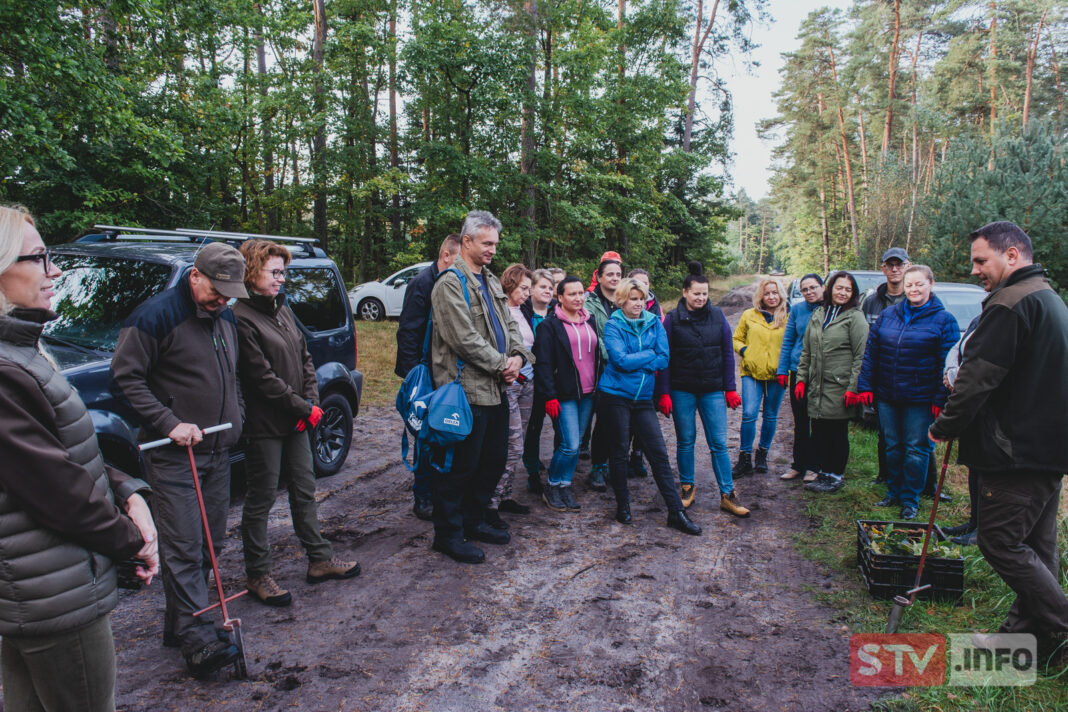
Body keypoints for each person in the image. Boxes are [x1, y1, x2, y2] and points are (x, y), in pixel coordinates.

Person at [0, 205, 159, 709]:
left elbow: (65, 452)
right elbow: (56, 489)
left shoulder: (22, 352)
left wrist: (129, 492)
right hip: (54, 596)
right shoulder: (6, 370)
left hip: (41, 592)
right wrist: (133, 543)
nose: (55, 272)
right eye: (38, 258)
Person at [929, 221, 1068, 668]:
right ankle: (1026, 641)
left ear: (1012, 255)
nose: (974, 270)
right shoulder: (1048, 297)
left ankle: (1062, 627)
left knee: (1000, 543)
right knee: (1038, 549)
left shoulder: (1010, 304)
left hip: (1016, 452)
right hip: (1047, 449)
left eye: (980, 260)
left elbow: (976, 379)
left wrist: (944, 426)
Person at [111, 240, 247, 676]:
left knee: (211, 545)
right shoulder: (155, 317)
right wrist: (168, 422)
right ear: (195, 276)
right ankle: (196, 639)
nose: (223, 300)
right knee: (185, 547)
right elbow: (124, 378)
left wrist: (238, 414)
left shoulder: (224, 316)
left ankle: (180, 625)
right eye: (217, 291)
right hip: (174, 456)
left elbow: (232, 376)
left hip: (218, 451)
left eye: (230, 294)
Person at [234, 239, 360, 608]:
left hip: (298, 421)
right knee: (260, 499)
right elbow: (260, 377)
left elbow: (305, 357)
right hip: (265, 424)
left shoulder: (282, 308)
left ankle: (319, 559)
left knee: (304, 488)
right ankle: (258, 573)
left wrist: (312, 402)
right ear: (251, 272)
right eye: (274, 272)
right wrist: (304, 407)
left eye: (283, 272)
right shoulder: (241, 317)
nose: (281, 279)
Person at [427, 211, 533, 564]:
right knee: (460, 466)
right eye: (487, 243)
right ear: (467, 241)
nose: (493, 250)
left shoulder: (489, 280)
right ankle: (448, 535)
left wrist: (517, 357)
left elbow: (511, 325)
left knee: (492, 460)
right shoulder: (449, 283)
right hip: (466, 391)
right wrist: (502, 364)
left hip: (497, 388)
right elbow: (463, 338)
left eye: (495, 244)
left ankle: (473, 521)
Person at [598, 277, 702, 535]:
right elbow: (620, 360)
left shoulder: (654, 322)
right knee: (619, 452)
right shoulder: (613, 325)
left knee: (658, 453)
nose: (638, 303)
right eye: (633, 299)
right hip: (615, 396)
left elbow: (664, 358)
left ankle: (676, 512)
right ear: (622, 301)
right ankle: (623, 506)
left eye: (641, 298)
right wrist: (648, 355)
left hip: (643, 398)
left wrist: (642, 359)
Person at [856, 265, 958, 520]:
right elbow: (871, 353)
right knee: (892, 446)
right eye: (909, 284)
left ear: (931, 284)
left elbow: (948, 364)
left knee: (916, 448)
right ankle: (893, 491)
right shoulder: (888, 315)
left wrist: (940, 398)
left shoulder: (944, 320)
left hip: (920, 399)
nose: (914, 289)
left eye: (919, 284)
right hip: (888, 395)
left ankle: (910, 499)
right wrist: (866, 385)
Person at [655, 263, 748, 516]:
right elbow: (664, 358)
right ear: (685, 292)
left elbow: (727, 353)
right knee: (686, 441)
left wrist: (730, 388)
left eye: (705, 293)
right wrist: (664, 392)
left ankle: (728, 494)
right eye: (696, 293)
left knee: (718, 443)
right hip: (682, 390)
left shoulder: (717, 316)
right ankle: (687, 487)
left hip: (712, 390)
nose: (701, 298)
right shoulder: (672, 320)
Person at [395, 234, 461, 520]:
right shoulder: (422, 283)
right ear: (446, 256)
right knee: (425, 435)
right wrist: (415, 378)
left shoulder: (455, 282)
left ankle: (442, 489)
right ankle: (422, 495)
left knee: (444, 431)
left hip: (445, 371)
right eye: (459, 261)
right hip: (424, 374)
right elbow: (408, 332)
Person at [796, 271, 868, 494]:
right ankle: (824, 473)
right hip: (817, 385)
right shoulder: (819, 313)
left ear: (853, 293)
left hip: (840, 386)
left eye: (848, 289)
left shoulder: (855, 318)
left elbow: (861, 356)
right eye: (839, 288)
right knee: (820, 430)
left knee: (837, 432)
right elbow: (807, 351)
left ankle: (836, 475)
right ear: (830, 289)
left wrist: (853, 388)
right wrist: (801, 379)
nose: (843, 293)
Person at [534, 276, 599, 512]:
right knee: (569, 445)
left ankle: (565, 485)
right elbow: (543, 363)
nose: (578, 298)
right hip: (564, 395)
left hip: (589, 393)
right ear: (560, 297)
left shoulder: (590, 321)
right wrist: (549, 396)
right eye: (572, 294)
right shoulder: (549, 326)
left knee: (577, 443)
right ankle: (552, 485)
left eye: (581, 293)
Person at [491, 263, 536, 522]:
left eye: (529, 289)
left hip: (527, 383)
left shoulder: (524, 310)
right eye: (524, 288)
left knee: (519, 442)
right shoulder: (498, 310)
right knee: (512, 444)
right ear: (510, 284)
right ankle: (491, 502)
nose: (527, 294)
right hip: (508, 384)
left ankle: (506, 495)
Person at [732, 278, 787, 477]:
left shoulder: (788, 316)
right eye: (767, 293)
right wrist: (745, 351)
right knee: (749, 414)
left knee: (770, 415)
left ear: (780, 294)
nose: (771, 297)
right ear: (761, 296)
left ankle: (762, 454)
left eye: (775, 292)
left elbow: (794, 342)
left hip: (777, 374)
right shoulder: (749, 315)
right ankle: (745, 457)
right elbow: (736, 339)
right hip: (751, 372)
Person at [776, 274, 824, 481]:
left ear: (823, 287)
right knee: (801, 419)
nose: (809, 292)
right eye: (805, 289)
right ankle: (798, 464)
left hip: (821, 373)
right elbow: (788, 340)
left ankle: (815, 466)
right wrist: (782, 370)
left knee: (819, 421)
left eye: (813, 287)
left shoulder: (830, 308)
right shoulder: (796, 310)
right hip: (798, 371)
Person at [939, 314, 981, 546]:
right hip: (972, 407)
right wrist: (950, 371)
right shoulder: (979, 318)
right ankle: (974, 521)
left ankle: (983, 530)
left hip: (987, 405)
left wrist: (957, 377)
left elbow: (980, 362)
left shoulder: (1001, 319)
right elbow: (958, 348)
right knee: (974, 464)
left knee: (985, 469)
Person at [583, 257, 623, 491]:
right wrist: (615, 353)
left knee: (613, 421)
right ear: (599, 277)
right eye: (610, 274)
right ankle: (596, 468)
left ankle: (608, 464)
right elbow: (591, 335)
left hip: (621, 370)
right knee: (597, 420)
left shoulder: (625, 300)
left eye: (618, 274)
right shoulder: (589, 302)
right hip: (597, 368)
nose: (614, 278)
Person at [521, 268, 559, 492]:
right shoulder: (522, 312)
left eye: (550, 287)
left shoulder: (558, 312)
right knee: (533, 427)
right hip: (530, 379)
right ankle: (532, 470)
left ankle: (557, 467)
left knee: (560, 427)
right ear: (532, 289)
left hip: (555, 379)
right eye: (542, 286)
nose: (547, 291)